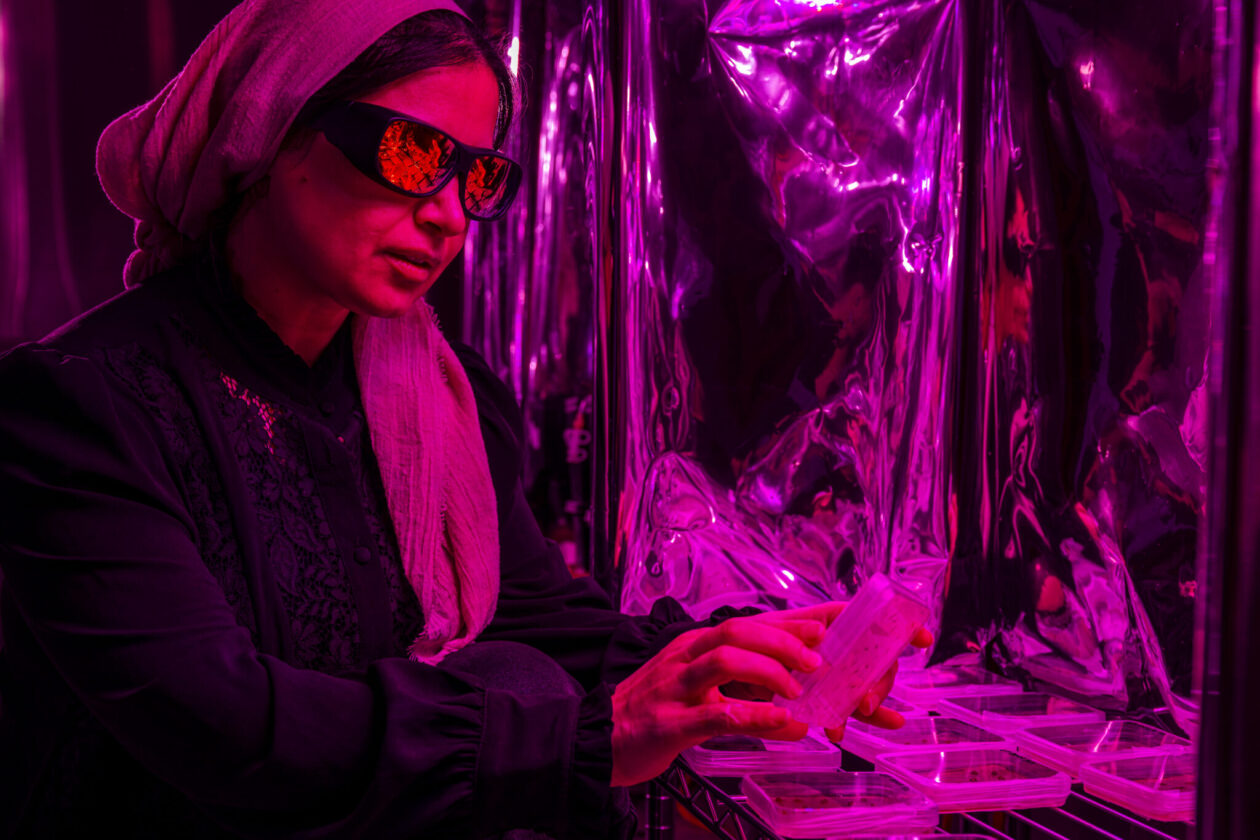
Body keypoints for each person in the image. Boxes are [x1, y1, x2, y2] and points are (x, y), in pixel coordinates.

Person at [0, 1, 928, 836]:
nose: (449, 216)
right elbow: (224, 724)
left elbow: (534, 610)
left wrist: (723, 666)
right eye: (411, 155)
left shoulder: (434, 390)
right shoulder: (83, 406)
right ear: (277, 133)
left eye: (477, 178)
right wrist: (585, 741)